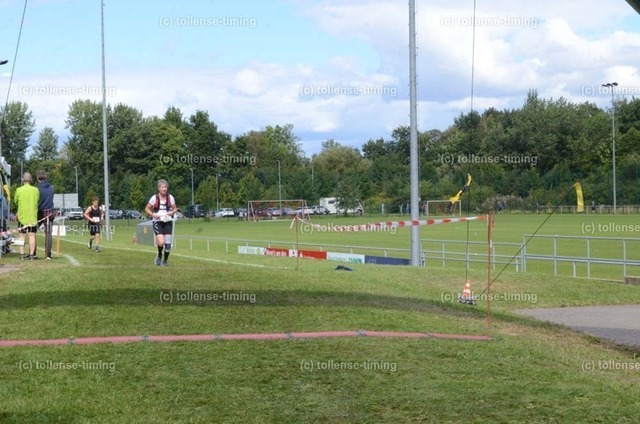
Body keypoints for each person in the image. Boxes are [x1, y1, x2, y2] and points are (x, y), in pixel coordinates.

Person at [145, 179, 177, 266]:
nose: (164, 189)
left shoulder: (170, 197)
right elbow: (147, 209)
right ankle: (159, 254)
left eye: (165, 187)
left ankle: (165, 261)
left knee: (168, 244)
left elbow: (175, 208)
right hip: (157, 222)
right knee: (161, 242)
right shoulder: (154, 198)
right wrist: (153, 215)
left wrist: (172, 212)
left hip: (167, 221)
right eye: (162, 187)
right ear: (159, 188)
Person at [15, 172, 40, 260]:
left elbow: (15, 201)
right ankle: (32, 255)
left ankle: (21, 255)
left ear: (23, 180)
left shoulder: (19, 190)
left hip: (22, 216)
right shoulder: (35, 190)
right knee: (32, 235)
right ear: (31, 180)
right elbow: (37, 200)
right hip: (32, 216)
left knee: (21, 235)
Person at [36, 170, 55, 260]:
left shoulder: (37, 188)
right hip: (49, 211)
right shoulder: (51, 187)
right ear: (46, 177)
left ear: (38, 178)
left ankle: (33, 252)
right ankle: (48, 254)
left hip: (39, 211)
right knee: (48, 233)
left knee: (33, 232)